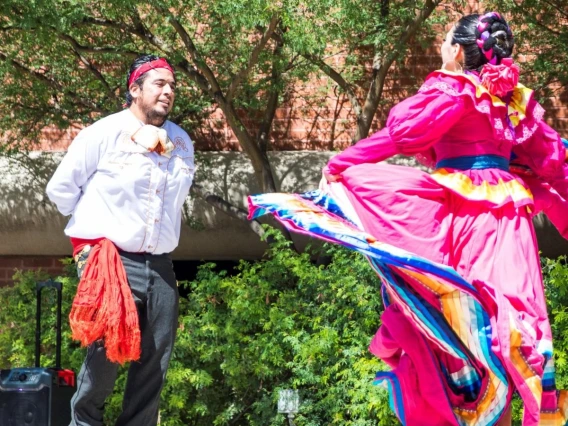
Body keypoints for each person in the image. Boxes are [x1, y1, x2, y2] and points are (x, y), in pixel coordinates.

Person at [249, 12, 568, 426]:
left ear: (456, 50)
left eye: (444, 40)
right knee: (503, 321)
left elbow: (399, 136)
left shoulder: (456, 91)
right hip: (507, 220)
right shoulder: (513, 101)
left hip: (463, 217)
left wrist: (343, 162)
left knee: (462, 322)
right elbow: (556, 163)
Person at [46, 54, 195, 426]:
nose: (168, 90)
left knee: (156, 357)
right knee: (107, 352)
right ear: (135, 89)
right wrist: (92, 231)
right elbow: (62, 189)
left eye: (172, 85)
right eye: (159, 83)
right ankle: (84, 422)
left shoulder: (181, 142)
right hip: (109, 256)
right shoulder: (104, 132)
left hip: (159, 263)